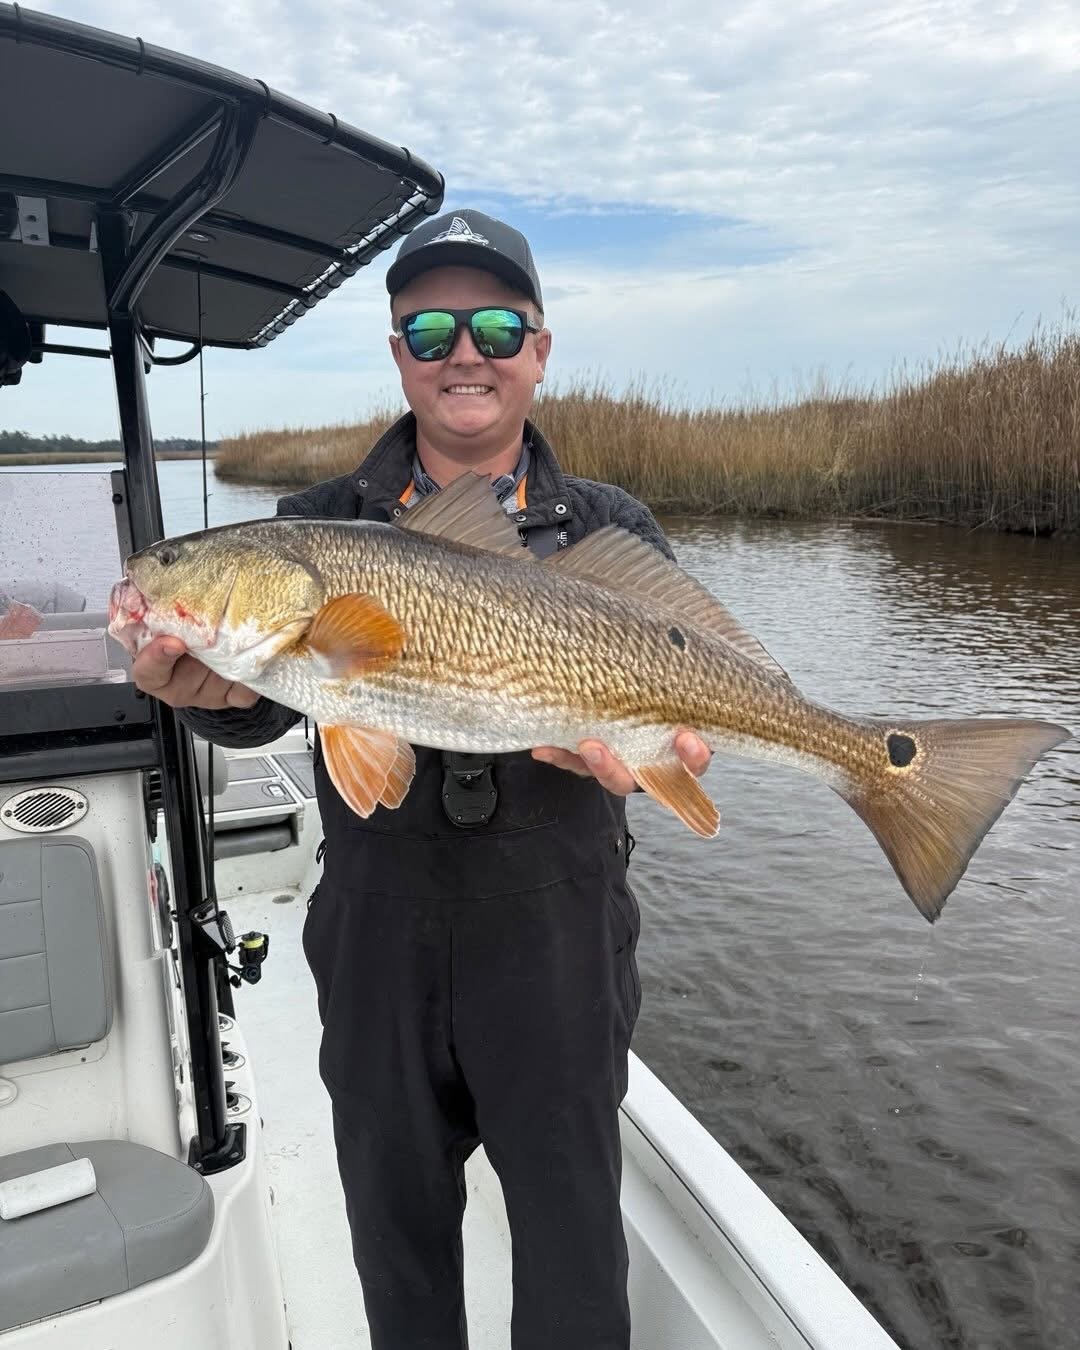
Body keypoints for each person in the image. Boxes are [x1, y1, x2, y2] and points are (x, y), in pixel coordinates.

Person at [133, 209, 709, 1350]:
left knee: (575, 1265)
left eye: (497, 325)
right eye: (432, 327)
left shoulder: (609, 528)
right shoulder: (318, 524)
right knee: (397, 1255)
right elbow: (269, 708)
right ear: (397, 353)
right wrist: (216, 693)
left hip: (559, 943)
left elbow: (678, 709)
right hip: (377, 945)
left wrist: (658, 758)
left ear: (540, 348)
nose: (466, 351)